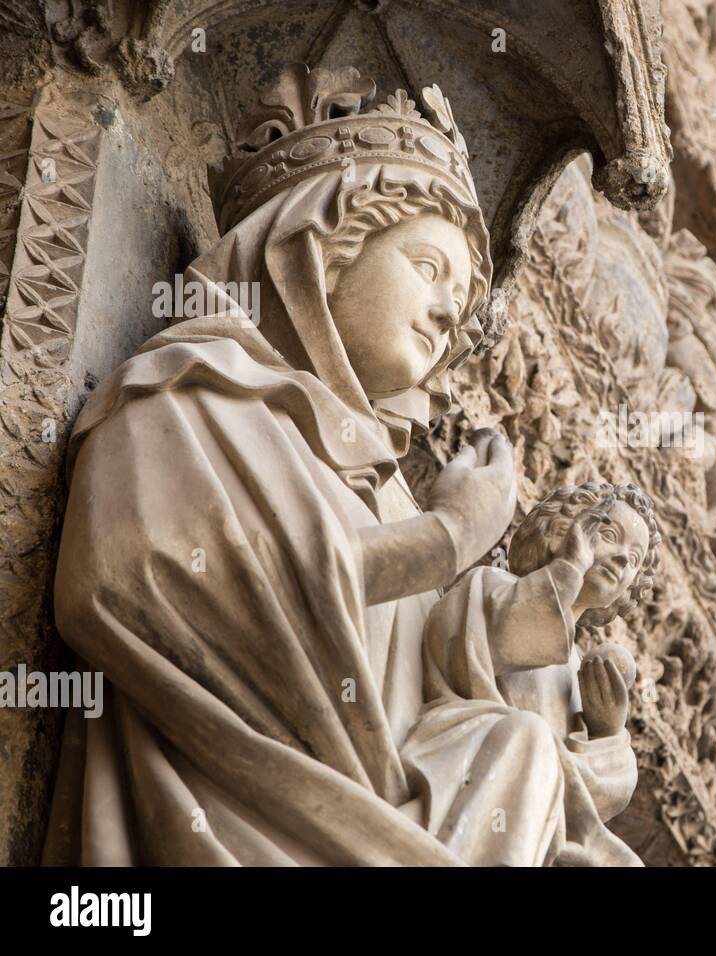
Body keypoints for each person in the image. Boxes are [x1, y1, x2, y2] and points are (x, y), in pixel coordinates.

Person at [43, 66, 518, 865]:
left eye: (462, 299)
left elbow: (430, 706)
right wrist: (447, 537)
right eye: (428, 268)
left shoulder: (393, 496)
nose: (446, 313)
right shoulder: (191, 395)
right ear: (318, 249)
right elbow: (134, 582)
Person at [400, 482, 659, 865]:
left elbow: (588, 795)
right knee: (532, 736)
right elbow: (478, 642)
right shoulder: (493, 584)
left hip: (539, 811)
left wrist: (607, 734)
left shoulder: (577, 673)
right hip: (467, 750)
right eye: (609, 535)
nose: (622, 559)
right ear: (560, 532)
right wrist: (568, 569)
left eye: (634, 559)